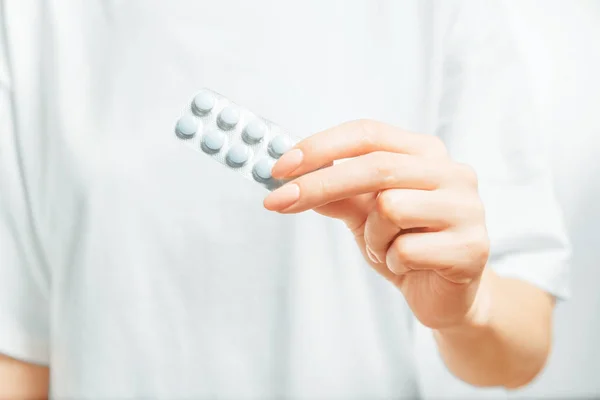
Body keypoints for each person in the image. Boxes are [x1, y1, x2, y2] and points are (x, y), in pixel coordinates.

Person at [0, 1, 570, 398]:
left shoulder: (444, 11)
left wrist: (468, 308)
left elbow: (522, 352)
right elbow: (17, 358)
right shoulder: (38, 18)